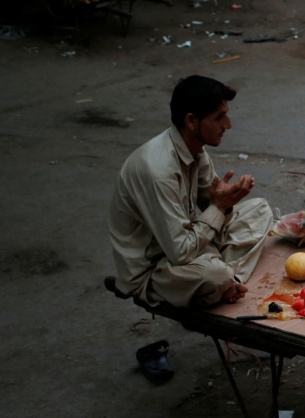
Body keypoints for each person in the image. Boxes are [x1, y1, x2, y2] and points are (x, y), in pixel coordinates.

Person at [109, 75, 274, 307]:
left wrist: (227, 200)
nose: (228, 125)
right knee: (215, 275)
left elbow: (212, 210)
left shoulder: (195, 150)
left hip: (189, 244)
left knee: (260, 210)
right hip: (156, 268)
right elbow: (180, 252)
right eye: (219, 118)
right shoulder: (158, 171)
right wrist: (219, 206)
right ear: (191, 121)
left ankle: (229, 280)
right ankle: (225, 278)